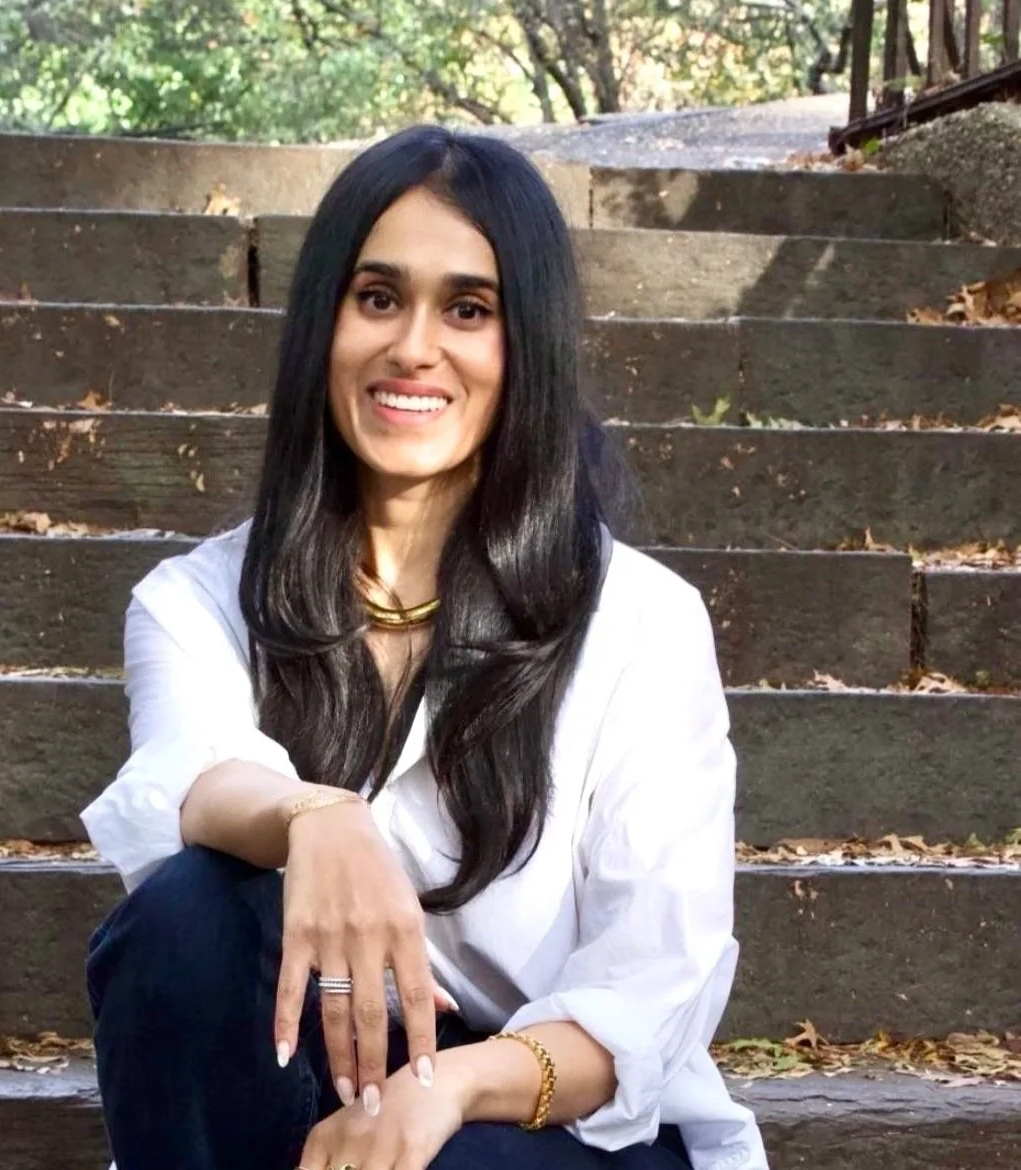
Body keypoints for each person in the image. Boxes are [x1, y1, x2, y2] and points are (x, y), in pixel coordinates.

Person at [81, 124, 768, 1170]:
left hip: (553, 1118)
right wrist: (315, 816)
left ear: (525, 346)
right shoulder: (198, 601)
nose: (413, 346)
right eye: (377, 298)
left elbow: (647, 988)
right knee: (187, 917)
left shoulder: (642, 622)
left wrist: (441, 1090)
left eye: (468, 310)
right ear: (324, 324)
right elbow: (186, 775)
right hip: (305, 1084)